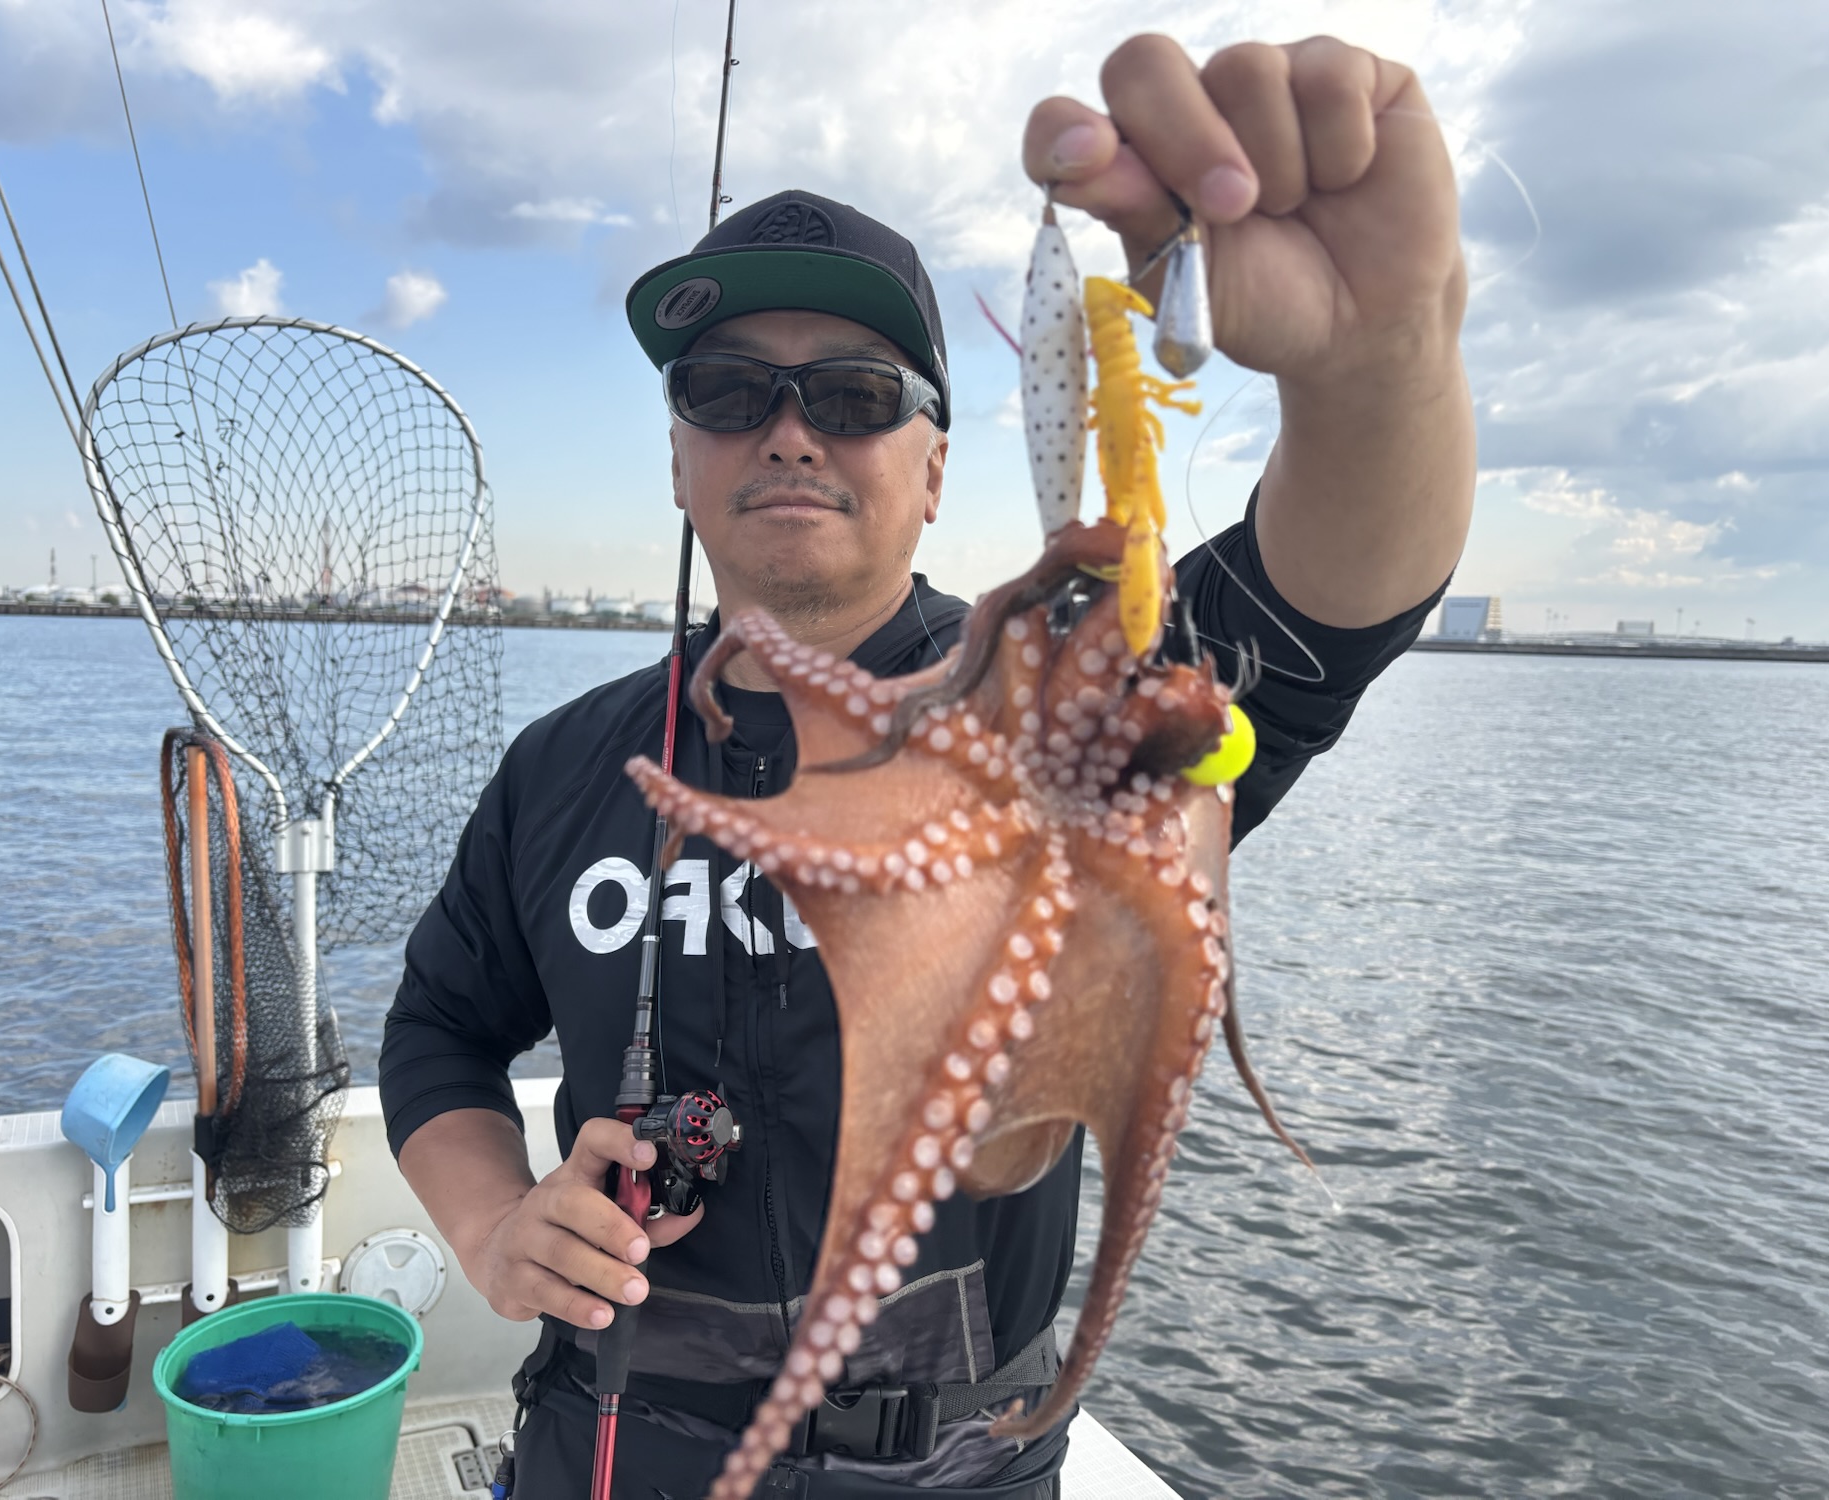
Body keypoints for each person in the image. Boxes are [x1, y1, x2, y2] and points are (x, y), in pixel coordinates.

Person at [382, 32, 1473, 1499]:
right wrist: (493, 1224)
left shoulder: (1072, 706)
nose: (788, 432)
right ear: (678, 458)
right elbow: (438, 1029)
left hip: (956, 1464)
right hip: (616, 1440)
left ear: (937, 466)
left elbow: (1327, 606)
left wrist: (1382, 370)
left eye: (852, 395)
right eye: (727, 390)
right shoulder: (565, 767)